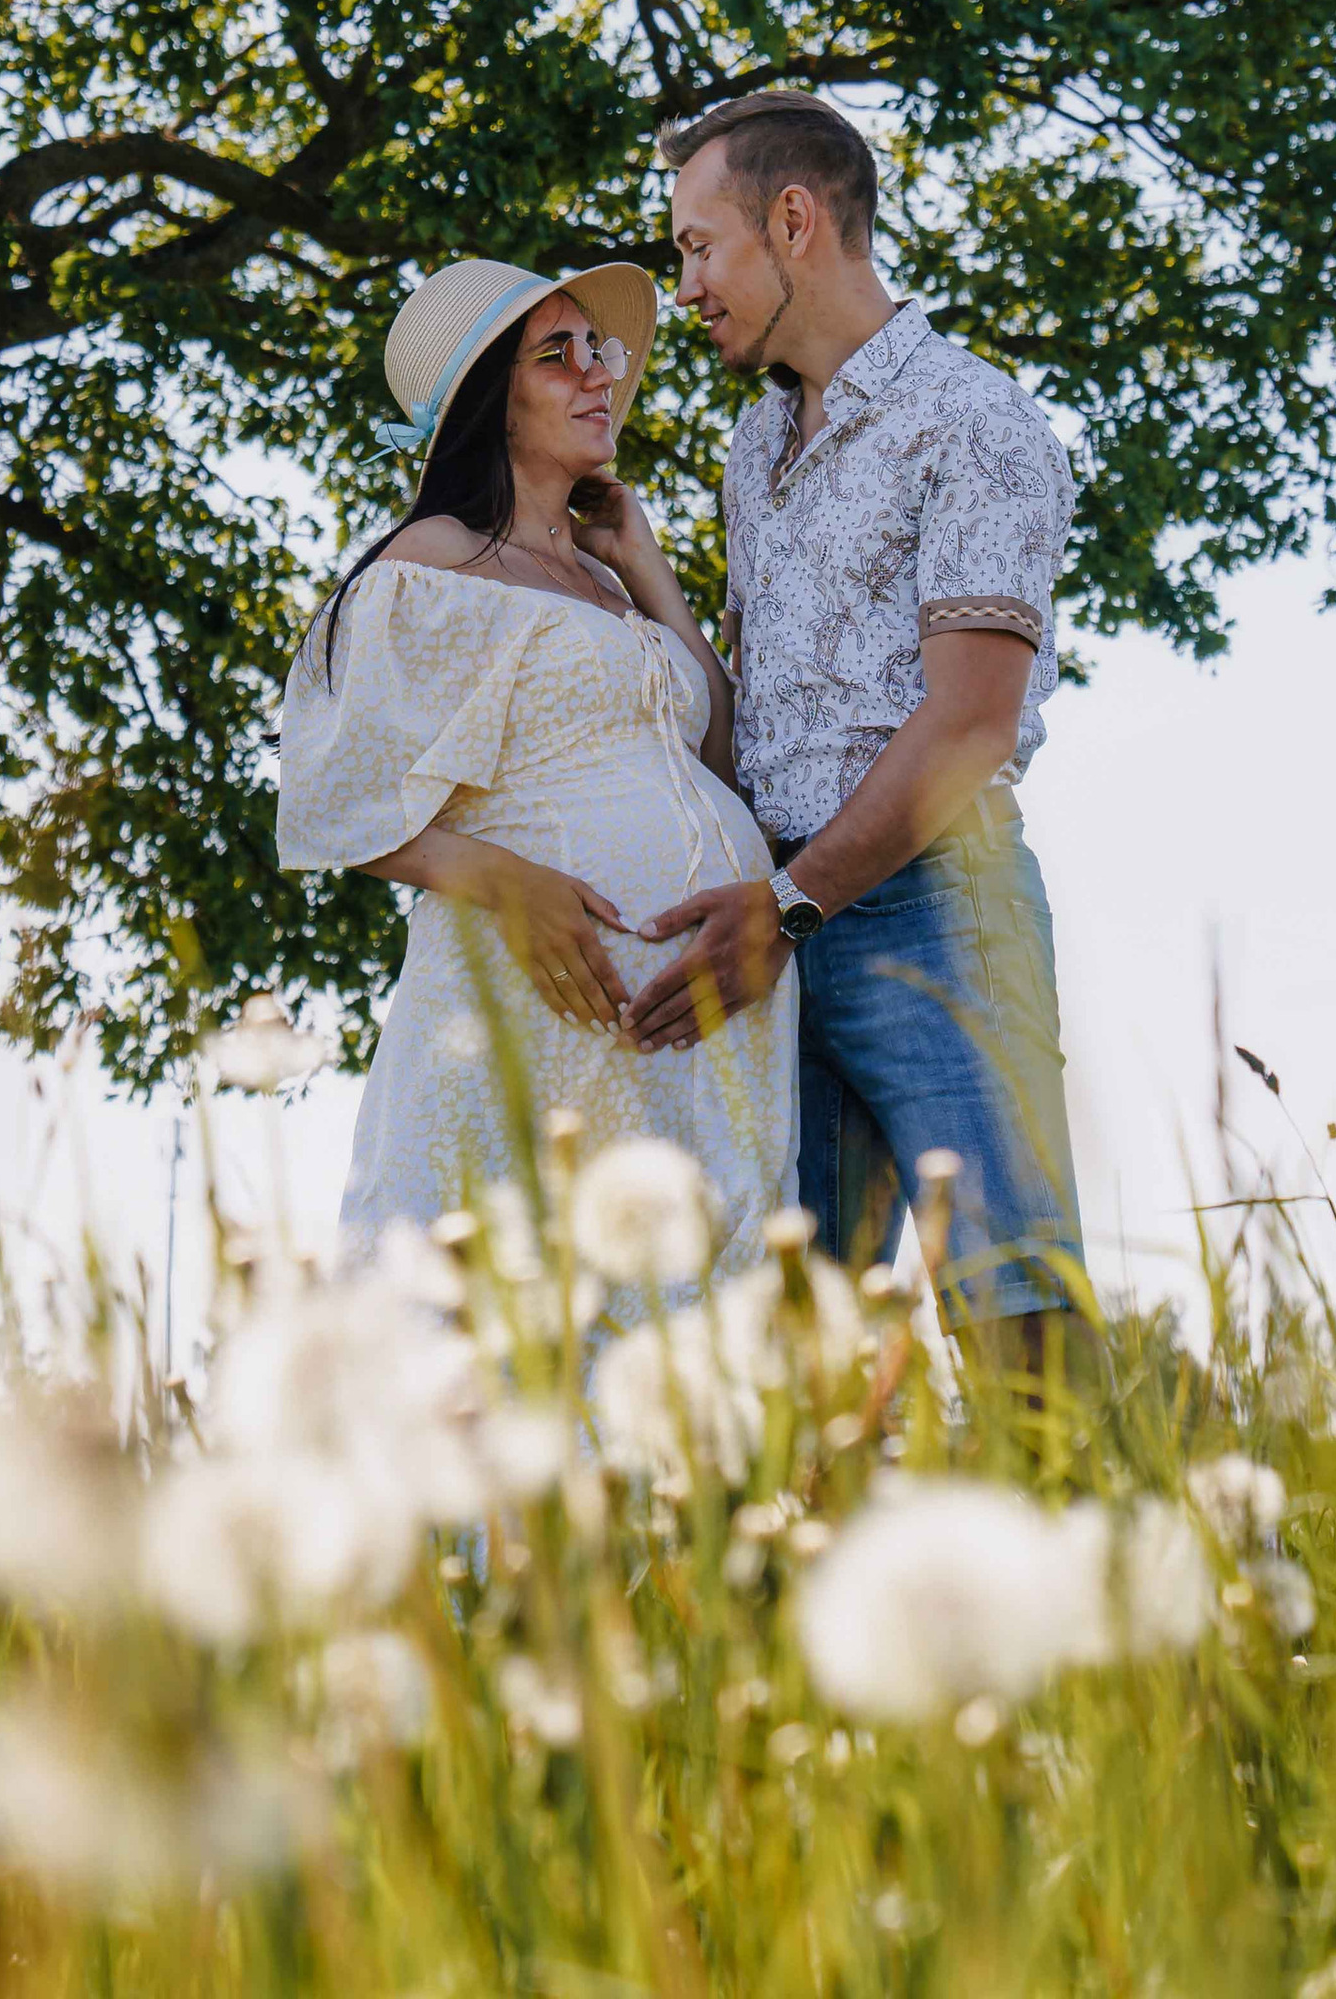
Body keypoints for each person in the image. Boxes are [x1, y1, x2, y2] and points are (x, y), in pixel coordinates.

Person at [624, 93, 1090, 1359]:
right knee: (783, 1356)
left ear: (793, 221)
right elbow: (751, 718)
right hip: (776, 932)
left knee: (1016, 1319)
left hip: (938, 912)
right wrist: (646, 573)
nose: (688, 286)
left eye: (695, 246)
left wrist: (792, 905)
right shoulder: (751, 444)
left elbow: (971, 721)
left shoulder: (971, 419)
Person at [273, 250, 795, 1274]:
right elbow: (330, 796)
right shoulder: (432, 562)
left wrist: (643, 563)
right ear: (491, 406)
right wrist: (503, 881)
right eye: (557, 355)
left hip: (702, 1029)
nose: (600, 370)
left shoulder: (609, 584)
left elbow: (725, 762)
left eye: (593, 346)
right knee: (514, 1321)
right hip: (529, 1005)